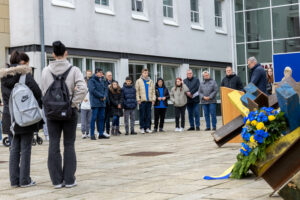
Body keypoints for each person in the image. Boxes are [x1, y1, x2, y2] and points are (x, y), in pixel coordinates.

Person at [41, 41, 87, 188]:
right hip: (69, 112)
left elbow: (44, 91)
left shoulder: (46, 70)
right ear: (66, 53)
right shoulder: (74, 70)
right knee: (69, 144)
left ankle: (56, 181)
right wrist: (73, 103)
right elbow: (82, 88)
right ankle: (69, 180)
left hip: (51, 113)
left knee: (53, 143)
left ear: (53, 54)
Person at [1, 51, 42, 187]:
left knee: (13, 149)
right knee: (25, 149)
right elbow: (38, 93)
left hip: (9, 116)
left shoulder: (3, 76)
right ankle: (24, 180)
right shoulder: (25, 75)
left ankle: (14, 180)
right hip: (25, 116)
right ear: (22, 62)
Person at [88, 68, 110, 140]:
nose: (101, 74)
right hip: (95, 102)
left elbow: (106, 89)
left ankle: (101, 133)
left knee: (102, 118)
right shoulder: (91, 80)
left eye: (102, 72)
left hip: (102, 102)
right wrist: (101, 96)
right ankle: (92, 134)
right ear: (96, 73)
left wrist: (104, 96)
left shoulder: (103, 81)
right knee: (94, 118)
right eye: (100, 72)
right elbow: (92, 90)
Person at [135, 68, 156, 134]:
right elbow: (137, 91)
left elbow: (153, 91)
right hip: (142, 101)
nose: (146, 74)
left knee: (148, 115)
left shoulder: (151, 81)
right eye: (144, 73)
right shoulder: (138, 81)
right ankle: (142, 128)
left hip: (149, 101)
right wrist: (138, 99)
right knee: (142, 115)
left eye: (147, 73)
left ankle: (147, 128)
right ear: (142, 73)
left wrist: (153, 99)